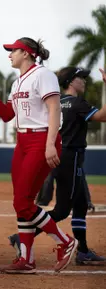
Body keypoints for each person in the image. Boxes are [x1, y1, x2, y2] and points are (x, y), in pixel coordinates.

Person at [0, 37, 78, 274]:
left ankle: (65, 241)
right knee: (22, 202)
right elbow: (6, 115)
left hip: (41, 140)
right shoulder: (17, 83)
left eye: (13, 50)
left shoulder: (43, 75)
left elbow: (54, 108)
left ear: (26, 53)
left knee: (22, 202)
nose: (9, 55)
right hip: (22, 142)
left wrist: (50, 144)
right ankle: (26, 259)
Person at [8, 67, 106, 266]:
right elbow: (103, 116)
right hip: (72, 159)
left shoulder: (56, 102)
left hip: (59, 156)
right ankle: (24, 237)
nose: (84, 81)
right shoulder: (77, 103)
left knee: (80, 205)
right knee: (62, 210)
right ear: (71, 82)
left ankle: (84, 251)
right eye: (81, 78)